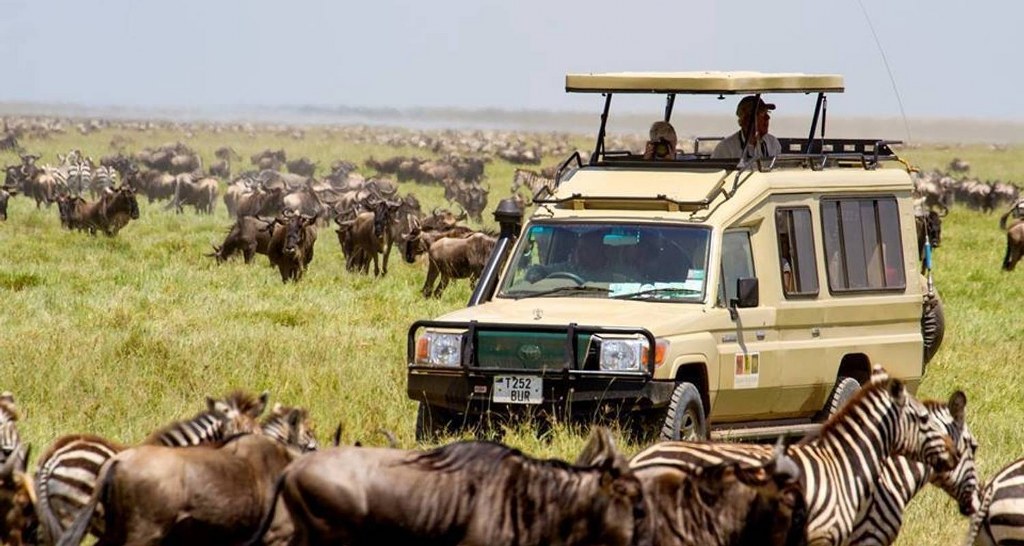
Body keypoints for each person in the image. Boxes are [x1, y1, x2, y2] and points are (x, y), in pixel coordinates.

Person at [711, 95, 781, 160]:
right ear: (746, 119)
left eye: (767, 113)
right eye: (762, 113)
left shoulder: (773, 143)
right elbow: (715, 172)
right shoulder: (726, 148)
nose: (768, 118)